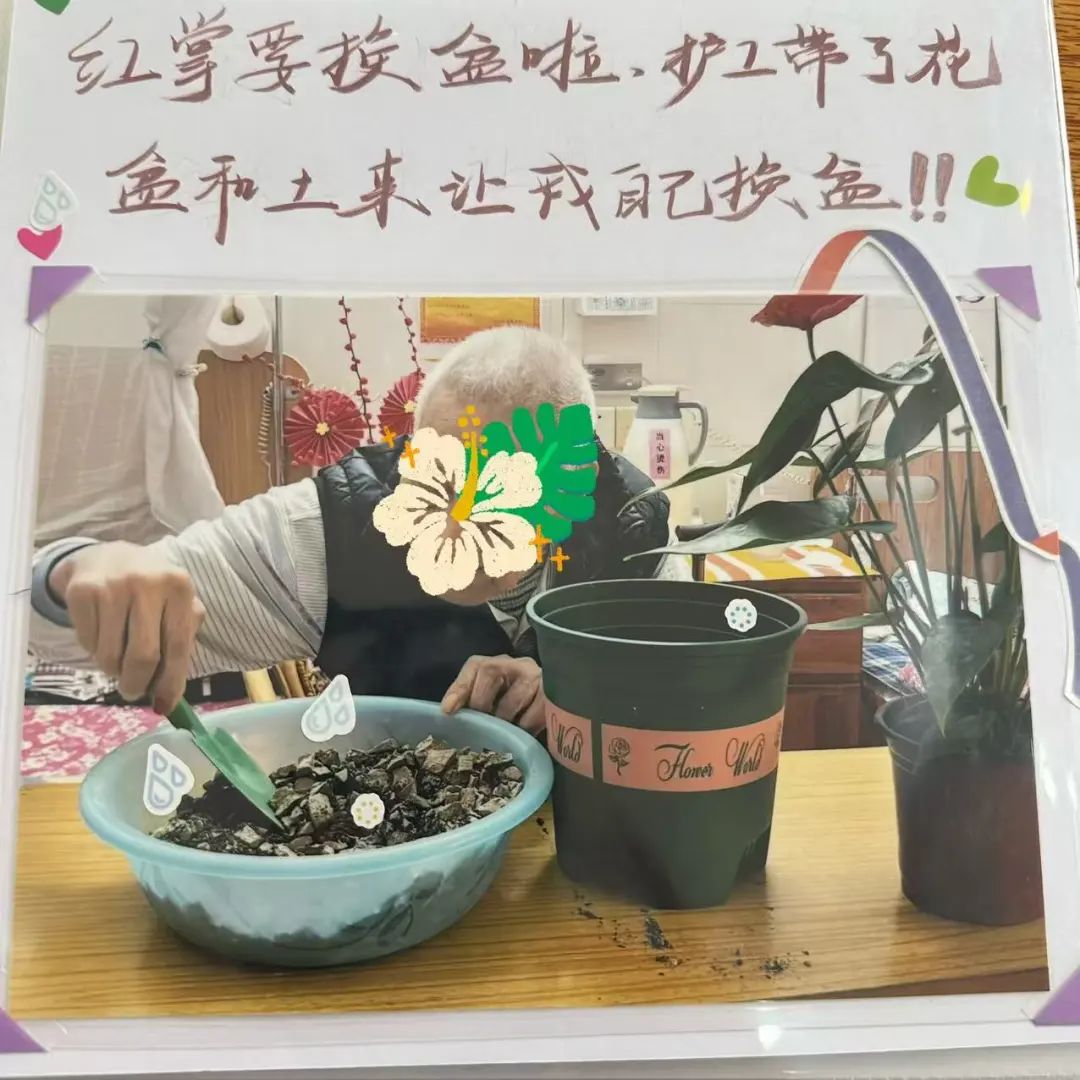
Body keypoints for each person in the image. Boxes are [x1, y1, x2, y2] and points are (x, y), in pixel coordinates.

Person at [29, 327, 681, 734]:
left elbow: (678, 704)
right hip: (398, 861)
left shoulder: (633, 530)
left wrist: (572, 693)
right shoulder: (329, 527)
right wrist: (75, 569)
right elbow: (55, 636)